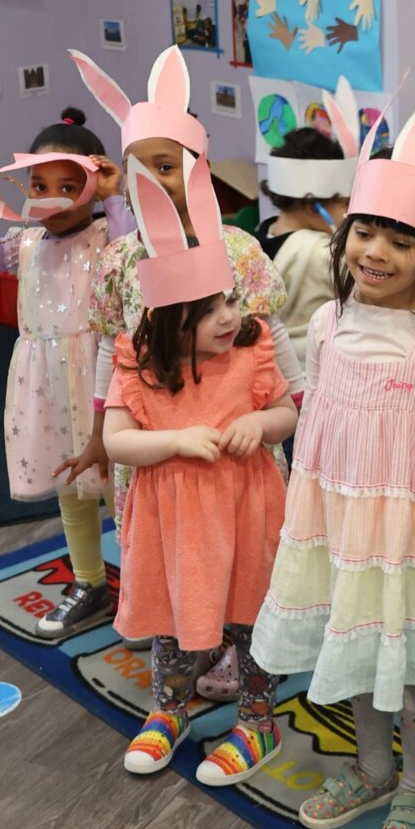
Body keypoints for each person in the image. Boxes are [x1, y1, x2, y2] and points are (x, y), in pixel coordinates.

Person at [251, 88, 415, 829]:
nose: (376, 252)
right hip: (343, 523)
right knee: (356, 645)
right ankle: (373, 768)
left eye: (401, 238)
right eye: (366, 230)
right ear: (342, 230)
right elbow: (320, 415)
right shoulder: (325, 323)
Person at [74, 45, 300, 686]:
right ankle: (186, 647)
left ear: (198, 168)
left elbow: (272, 340)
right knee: (175, 558)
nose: (154, 182)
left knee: (242, 557)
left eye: (168, 167)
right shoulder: (120, 260)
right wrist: (99, 435)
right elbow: (107, 351)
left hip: (238, 440)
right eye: (138, 169)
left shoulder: (238, 249)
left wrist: (297, 415)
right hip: (160, 448)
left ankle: (239, 651)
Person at [104, 137, 297, 781]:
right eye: (209, 310)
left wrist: (258, 422)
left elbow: (289, 414)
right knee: (171, 618)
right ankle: (169, 710)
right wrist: (175, 442)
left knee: (248, 618)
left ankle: (256, 718)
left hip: (246, 511)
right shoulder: (137, 364)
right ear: (163, 321)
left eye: (231, 301)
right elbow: (116, 440)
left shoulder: (253, 350)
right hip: (175, 521)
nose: (229, 317)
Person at [0, 108, 129, 639]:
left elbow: (138, 252)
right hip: (42, 383)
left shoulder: (107, 239)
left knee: (122, 488)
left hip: (101, 379)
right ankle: (90, 582)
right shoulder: (23, 244)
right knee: (70, 484)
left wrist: (115, 196)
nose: (53, 198)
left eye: (70, 186)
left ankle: (140, 586)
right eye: (40, 185)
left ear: (91, 186)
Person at [256, 78, 359, 369]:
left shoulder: (263, 230)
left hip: (267, 368)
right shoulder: (322, 250)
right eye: (342, 203)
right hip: (309, 369)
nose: (347, 212)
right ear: (312, 201)